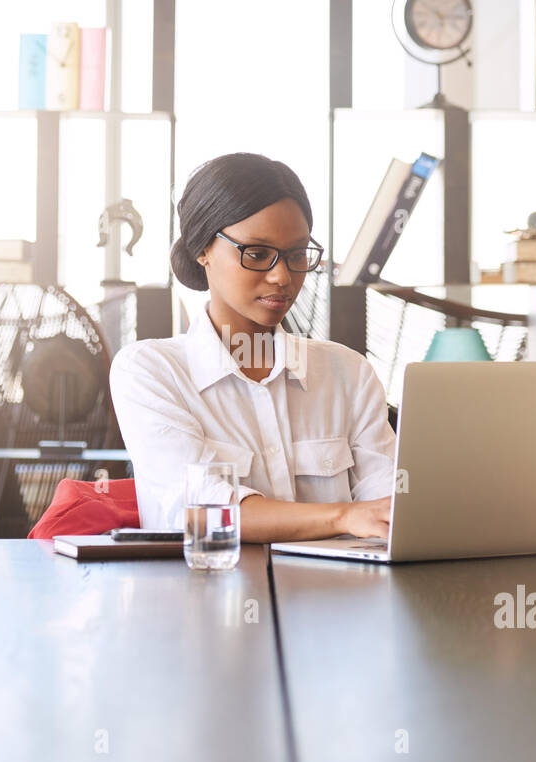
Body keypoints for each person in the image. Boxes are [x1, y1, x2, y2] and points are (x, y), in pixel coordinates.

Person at [109, 152, 395, 543]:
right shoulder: (150, 371)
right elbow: (203, 512)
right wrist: (343, 517)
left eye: (296, 255)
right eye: (257, 254)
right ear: (202, 249)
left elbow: (387, 508)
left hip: (336, 598)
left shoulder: (348, 372)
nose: (282, 277)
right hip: (202, 597)